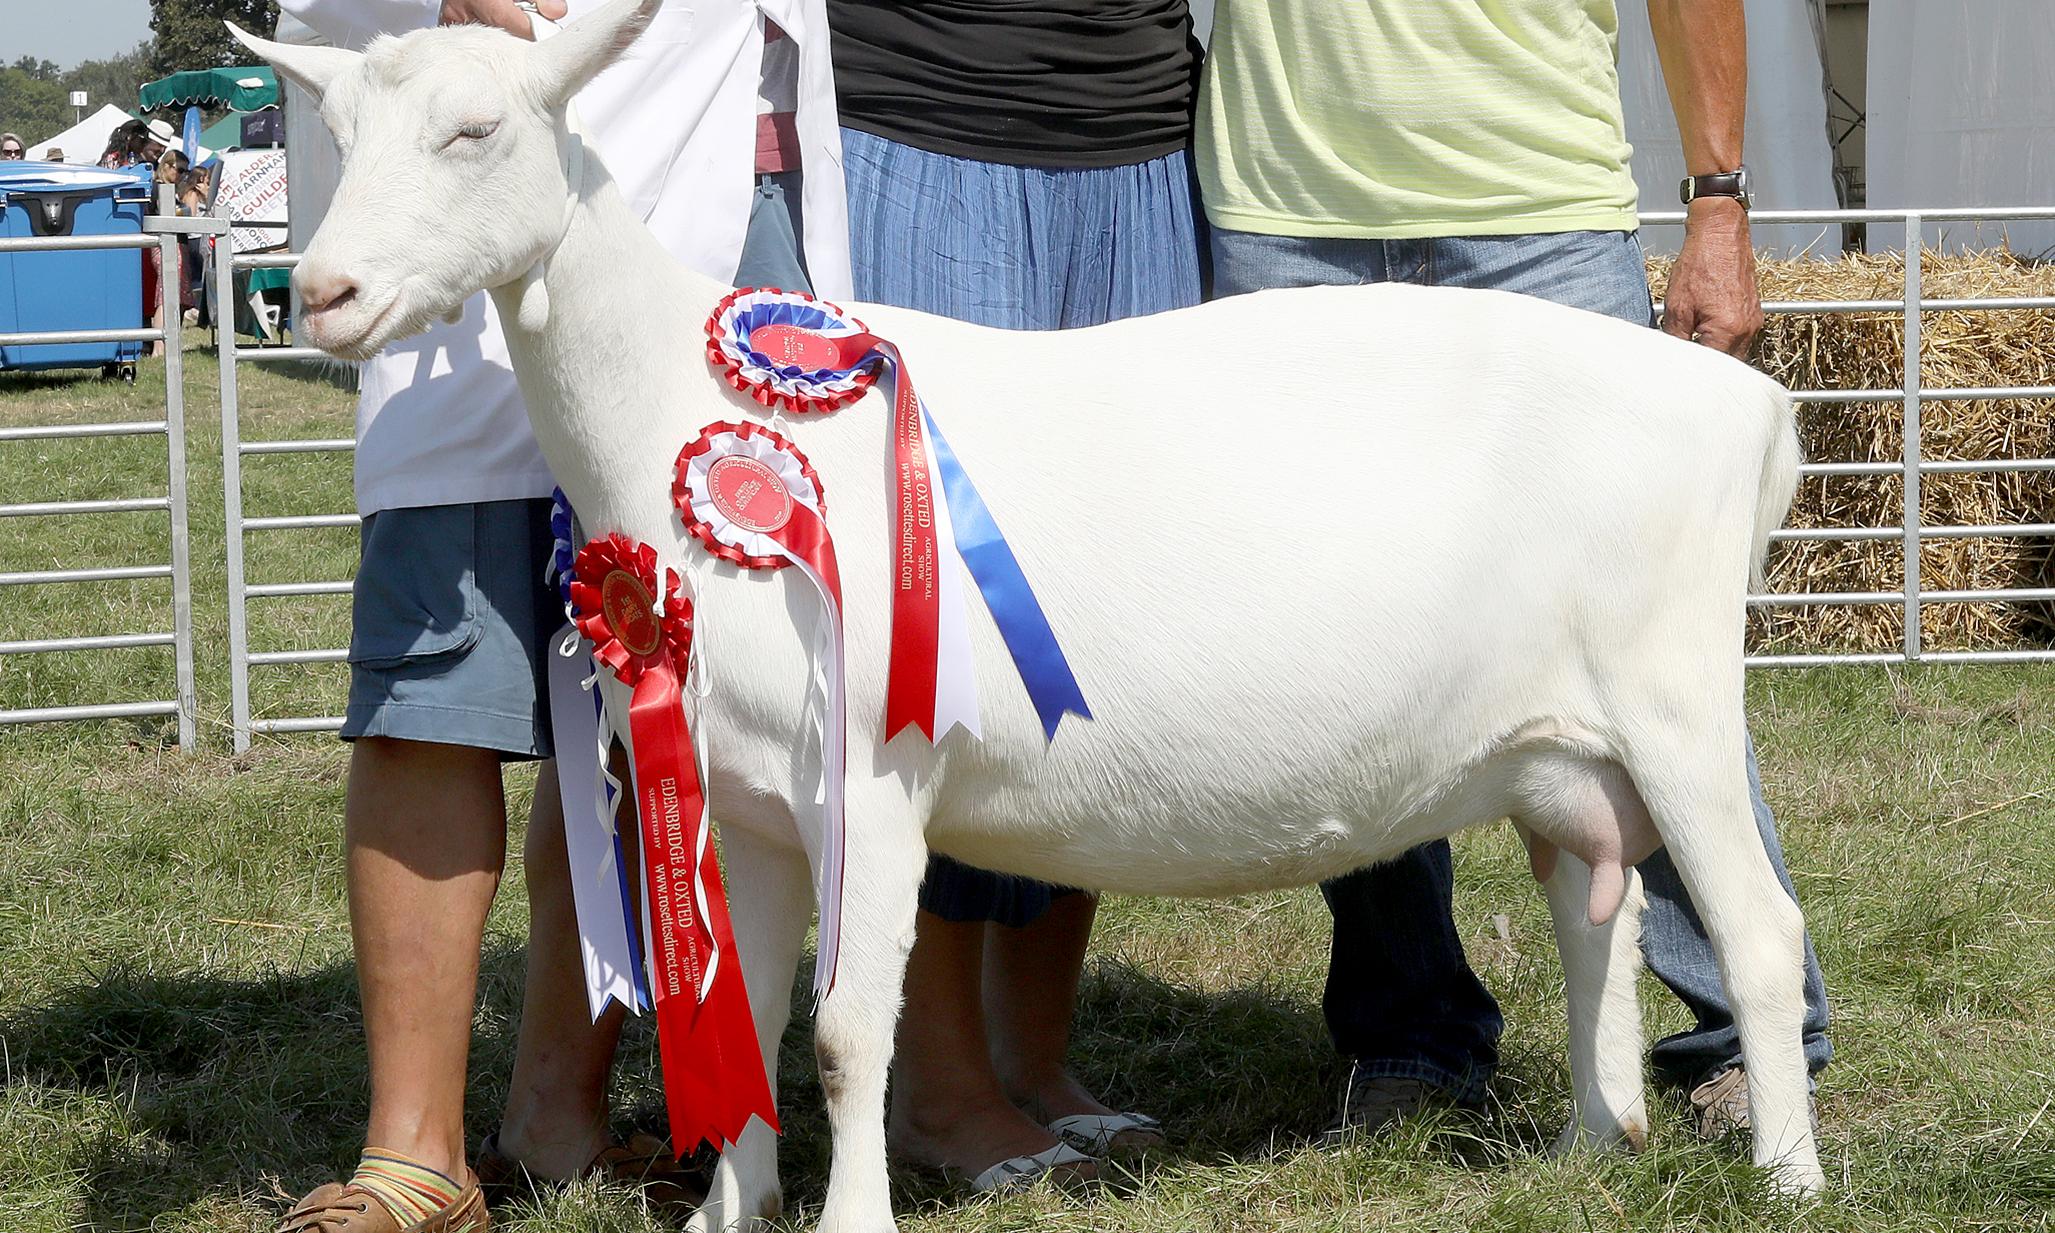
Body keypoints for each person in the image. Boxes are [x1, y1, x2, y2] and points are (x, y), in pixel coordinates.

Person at [1196, 0, 1832, 1140]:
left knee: (1644, 654)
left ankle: (1747, 1035)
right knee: (1340, 648)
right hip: (1285, 211)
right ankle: (1411, 1034)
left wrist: (1719, 202)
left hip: (1538, 212)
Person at [265, 1, 850, 1231]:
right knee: (436, 699)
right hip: (448, 210)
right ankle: (413, 1155)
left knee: (672, 697)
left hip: (703, 199)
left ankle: (557, 1114)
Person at [825, 0, 1196, 1192]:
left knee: (1095, 608)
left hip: (1141, 134)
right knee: (931, 612)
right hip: (920, 116)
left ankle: (1032, 1058)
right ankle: (939, 1090)